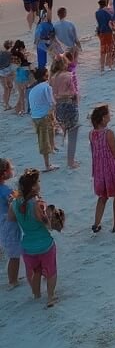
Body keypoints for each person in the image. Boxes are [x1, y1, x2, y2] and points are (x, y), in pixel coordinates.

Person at [8, 169, 57, 307]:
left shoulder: (15, 203)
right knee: (51, 271)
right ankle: (51, 297)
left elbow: (10, 218)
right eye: (38, 182)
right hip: (44, 245)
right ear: (34, 186)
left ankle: (36, 295)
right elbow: (48, 226)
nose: (40, 184)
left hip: (28, 247)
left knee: (35, 272)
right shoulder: (38, 204)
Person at [89, 104, 115, 233]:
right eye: (108, 115)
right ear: (103, 118)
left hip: (99, 169)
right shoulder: (108, 133)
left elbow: (93, 151)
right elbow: (114, 152)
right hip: (111, 168)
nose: (110, 116)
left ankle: (96, 224)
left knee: (103, 196)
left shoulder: (91, 134)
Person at [50, 55, 80, 169]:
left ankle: (68, 156)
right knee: (73, 134)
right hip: (69, 105)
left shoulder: (53, 77)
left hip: (58, 107)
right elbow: (73, 93)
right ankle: (71, 162)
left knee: (66, 129)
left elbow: (53, 93)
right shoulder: (68, 75)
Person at [28, 66, 57, 172]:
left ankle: (52, 148)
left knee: (49, 132)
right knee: (44, 140)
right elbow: (52, 102)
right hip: (43, 116)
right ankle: (47, 165)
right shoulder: (46, 87)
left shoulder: (34, 88)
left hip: (36, 116)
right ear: (46, 76)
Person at [0, 158, 23, 287]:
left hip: (1, 223)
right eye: (10, 168)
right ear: (4, 173)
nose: (12, 170)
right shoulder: (6, 190)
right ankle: (13, 281)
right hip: (9, 224)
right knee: (14, 255)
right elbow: (15, 203)